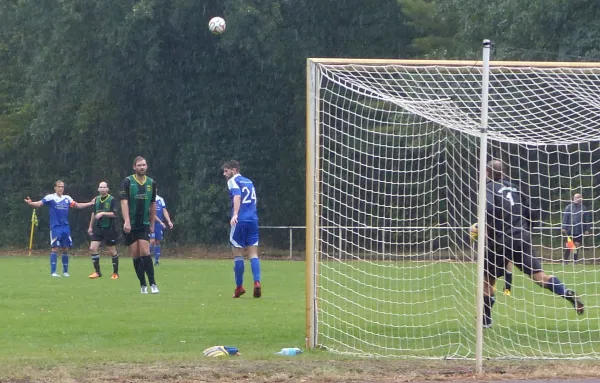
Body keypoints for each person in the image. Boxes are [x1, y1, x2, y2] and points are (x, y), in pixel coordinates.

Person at [477, 160, 584, 329]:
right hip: (522, 237)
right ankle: (565, 292)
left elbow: (489, 209)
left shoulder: (488, 188)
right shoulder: (515, 188)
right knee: (540, 276)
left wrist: (483, 228)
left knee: (487, 281)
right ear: (503, 173)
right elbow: (532, 212)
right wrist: (527, 230)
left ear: (487, 172)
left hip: (500, 240)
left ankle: (486, 321)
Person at [24, 180, 95, 277]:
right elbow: (39, 204)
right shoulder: (50, 197)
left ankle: (65, 272)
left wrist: (90, 203)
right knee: (55, 248)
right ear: (55, 187)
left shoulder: (67, 199)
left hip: (65, 227)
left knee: (65, 249)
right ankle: (53, 272)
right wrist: (31, 203)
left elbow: (77, 205)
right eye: (59, 186)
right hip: (55, 227)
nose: (61, 188)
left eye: (62, 187)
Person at [222, 160, 262, 298]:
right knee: (253, 254)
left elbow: (237, 196)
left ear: (234, 170)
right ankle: (257, 282)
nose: (224, 174)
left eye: (226, 171)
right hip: (253, 219)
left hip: (240, 220)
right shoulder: (249, 181)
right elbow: (254, 200)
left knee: (237, 254)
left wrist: (235, 214)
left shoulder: (233, 181)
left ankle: (239, 287)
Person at [120, 156, 159, 294]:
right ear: (134, 167)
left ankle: (153, 284)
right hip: (130, 224)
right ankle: (143, 285)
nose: (142, 167)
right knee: (136, 255)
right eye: (139, 165)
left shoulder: (151, 183)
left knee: (145, 251)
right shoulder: (128, 181)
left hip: (143, 223)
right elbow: (124, 203)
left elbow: (153, 204)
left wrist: (152, 223)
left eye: (144, 165)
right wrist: (127, 221)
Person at [87, 181, 120, 279]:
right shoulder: (96, 200)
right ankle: (97, 272)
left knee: (111, 250)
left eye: (104, 187)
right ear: (98, 189)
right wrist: (90, 226)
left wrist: (103, 214)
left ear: (107, 189)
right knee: (92, 248)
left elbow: (114, 214)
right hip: (98, 228)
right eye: (100, 187)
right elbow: (94, 213)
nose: (102, 189)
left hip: (108, 228)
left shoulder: (112, 199)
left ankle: (115, 273)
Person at [561, 193, 592, 262]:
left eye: (578, 197)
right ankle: (565, 260)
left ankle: (575, 260)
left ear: (581, 199)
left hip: (579, 230)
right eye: (575, 197)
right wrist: (564, 227)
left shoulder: (583, 208)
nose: (576, 199)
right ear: (573, 198)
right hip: (570, 230)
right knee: (569, 245)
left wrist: (587, 229)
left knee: (577, 245)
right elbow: (565, 218)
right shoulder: (569, 207)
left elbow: (587, 220)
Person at [149, 194, 173, 266]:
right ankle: (145, 259)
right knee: (152, 241)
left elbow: (164, 210)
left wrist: (169, 221)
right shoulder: (149, 198)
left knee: (157, 242)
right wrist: (160, 222)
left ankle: (156, 261)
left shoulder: (160, 199)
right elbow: (151, 213)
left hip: (159, 224)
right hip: (151, 223)